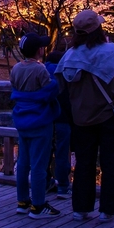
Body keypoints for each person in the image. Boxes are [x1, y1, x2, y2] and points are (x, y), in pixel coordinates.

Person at [56, 10, 114, 224]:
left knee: (83, 162)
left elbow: (61, 85)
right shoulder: (111, 51)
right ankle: (107, 210)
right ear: (98, 29)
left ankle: (80, 208)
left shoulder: (70, 55)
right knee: (110, 162)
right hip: (108, 115)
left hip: (80, 117)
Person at [11, 34, 61, 219]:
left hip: (22, 119)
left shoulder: (16, 68)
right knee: (39, 164)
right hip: (39, 120)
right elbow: (50, 90)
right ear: (39, 50)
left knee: (23, 162)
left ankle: (22, 201)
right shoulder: (40, 70)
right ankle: (38, 205)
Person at [44, 50, 71, 196]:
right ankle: (63, 186)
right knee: (62, 153)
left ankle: (46, 182)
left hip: (46, 119)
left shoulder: (43, 75)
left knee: (45, 153)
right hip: (64, 119)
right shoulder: (65, 76)